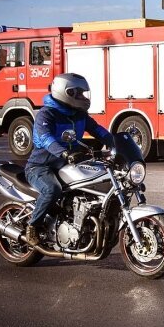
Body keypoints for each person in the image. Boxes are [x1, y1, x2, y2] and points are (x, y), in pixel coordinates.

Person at [24, 73, 114, 245]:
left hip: (68, 163)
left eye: (83, 93)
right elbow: (45, 138)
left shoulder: (79, 115)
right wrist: (63, 152)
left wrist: (114, 142)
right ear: (65, 92)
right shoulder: (46, 114)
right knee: (52, 189)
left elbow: (97, 130)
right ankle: (32, 226)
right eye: (78, 93)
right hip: (41, 166)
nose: (82, 97)